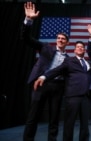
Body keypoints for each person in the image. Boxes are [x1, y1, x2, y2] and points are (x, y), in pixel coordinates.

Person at [21, 2, 69, 141]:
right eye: (58, 38)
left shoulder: (68, 59)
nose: (60, 40)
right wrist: (28, 20)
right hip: (40, 84)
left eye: (63, 39)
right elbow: (26, 39)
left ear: (67, 42)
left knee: (54, 118)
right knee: (33, 116)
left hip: (58, 87)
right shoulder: (46, 47)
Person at [34, 41, 91, 141]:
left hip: (85, 97)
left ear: (84, 50)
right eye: (78, 47)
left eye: (82, 47)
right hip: (73, 96)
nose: (80, 48)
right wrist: (44, 77)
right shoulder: (69, 61)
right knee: (69, 124)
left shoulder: (88, 63)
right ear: (74, 50)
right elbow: (57, 70)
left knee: (85, 126)